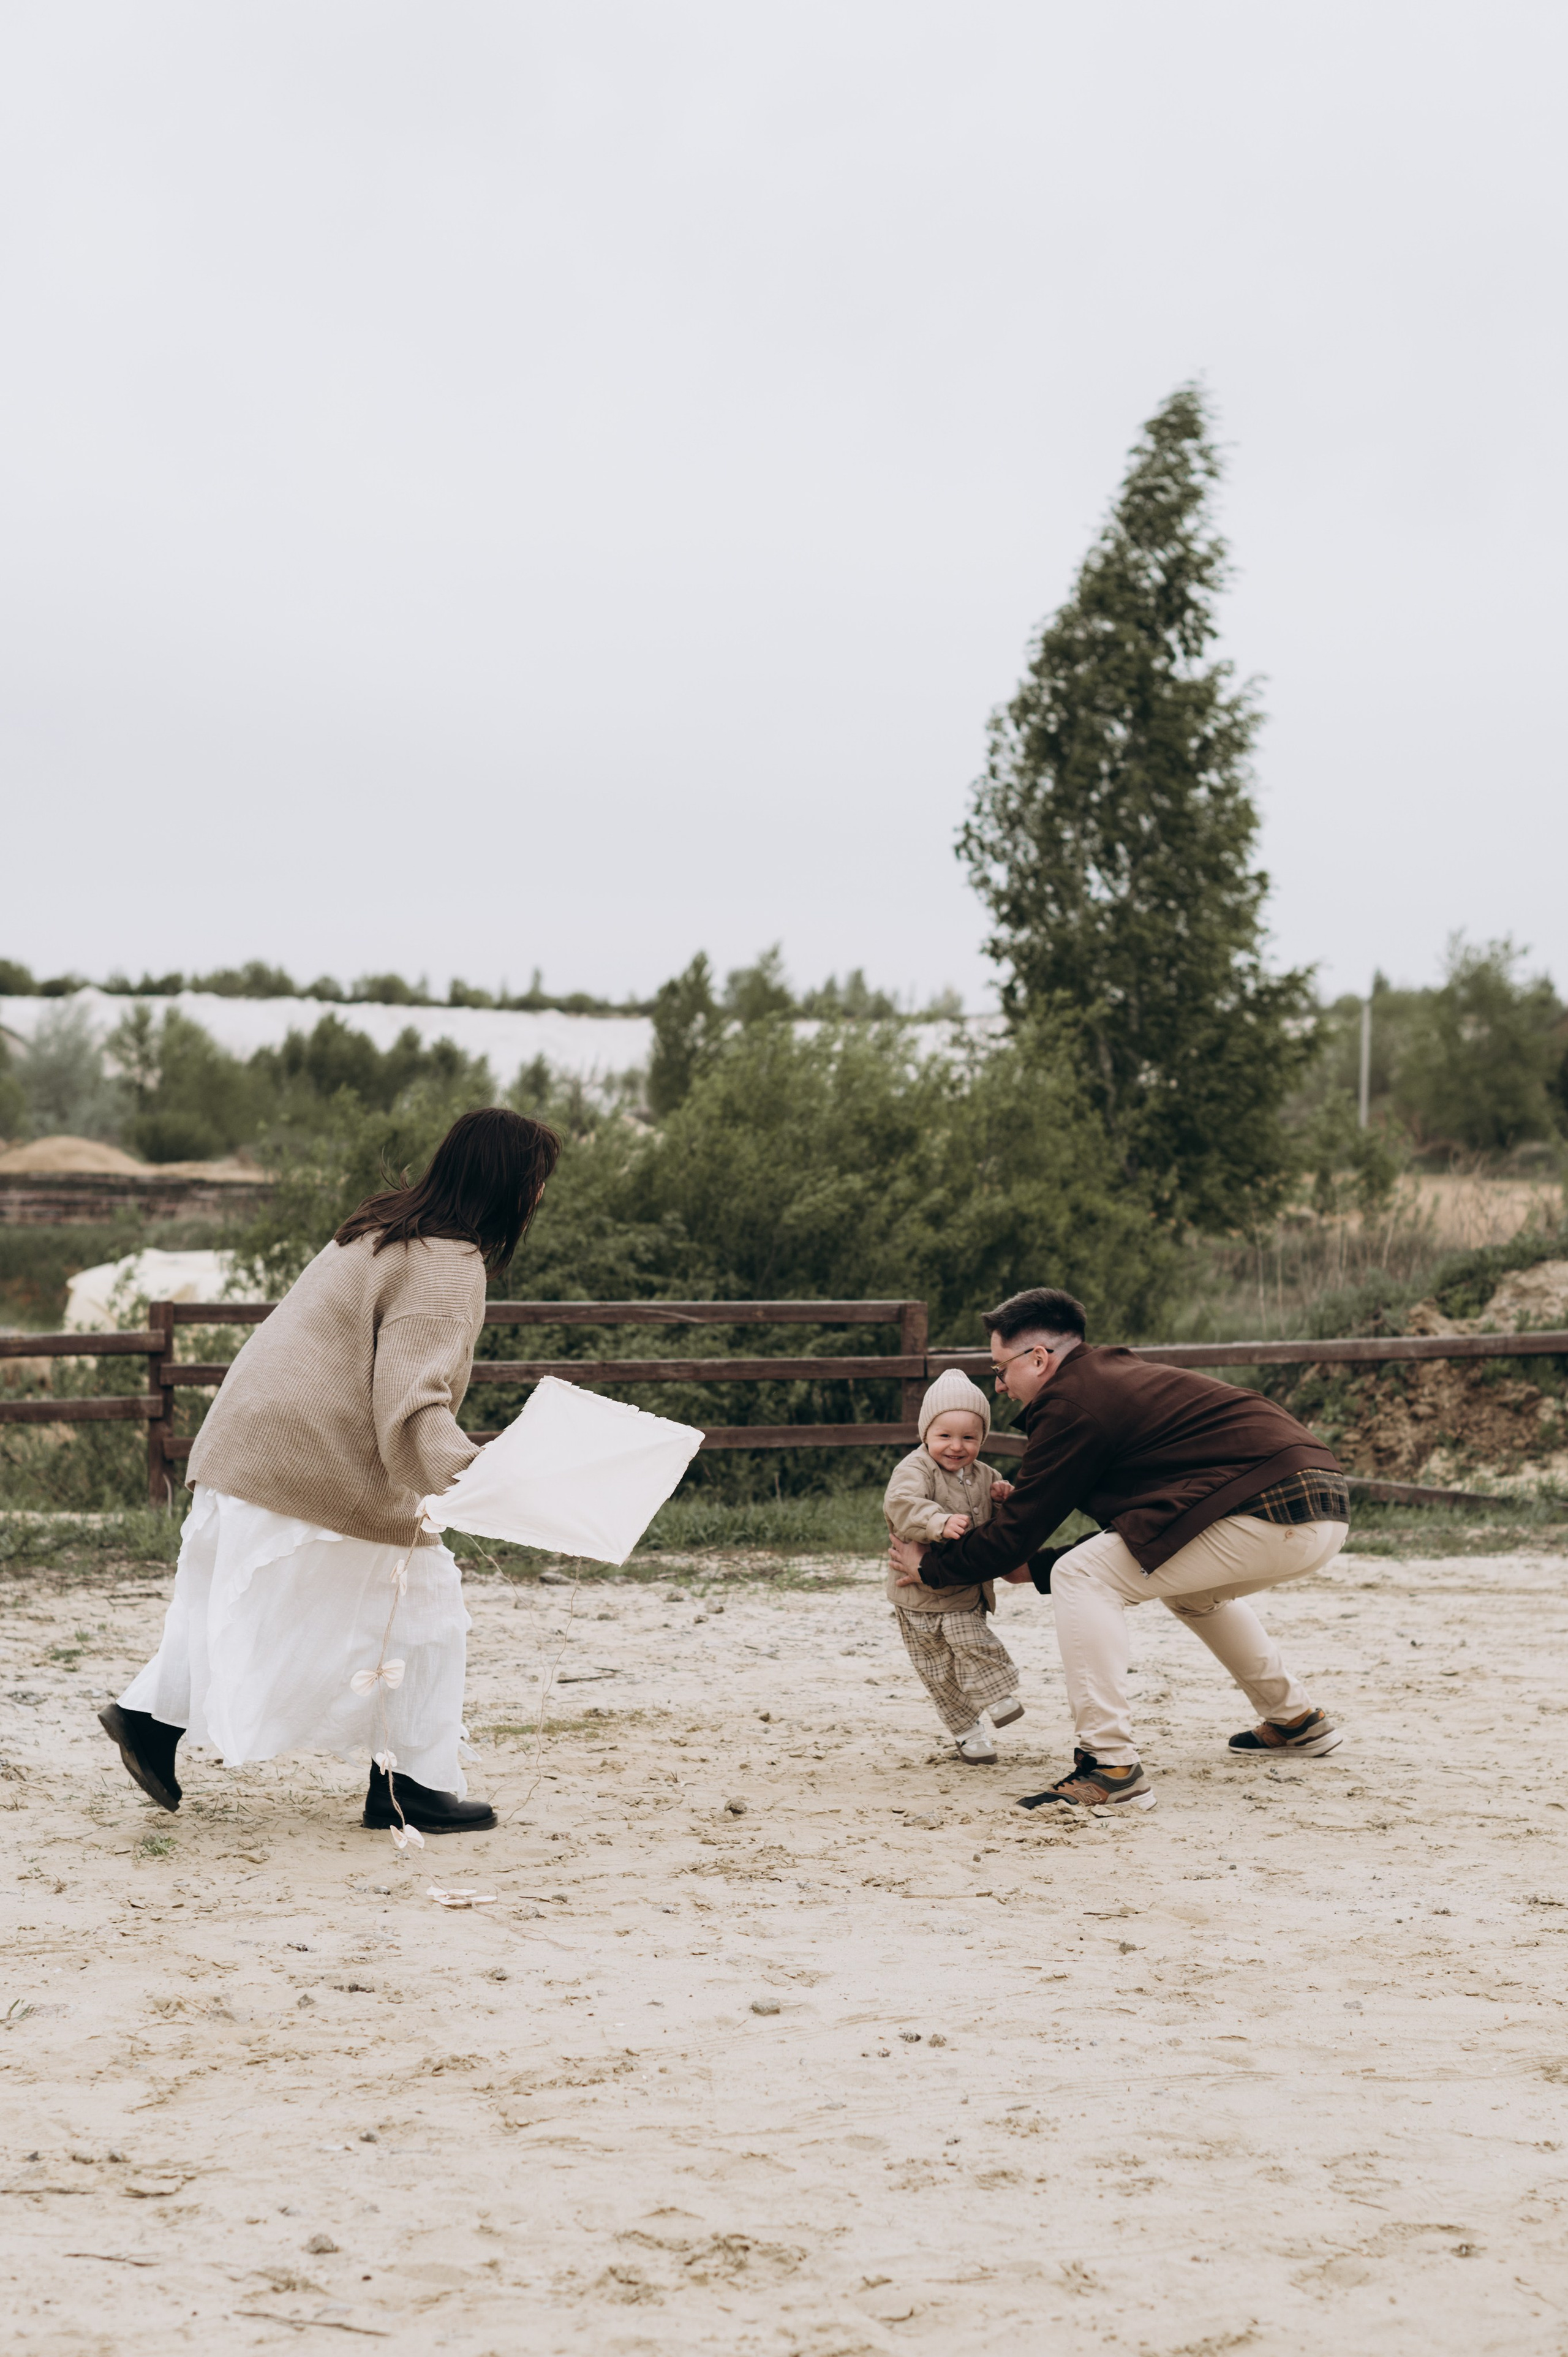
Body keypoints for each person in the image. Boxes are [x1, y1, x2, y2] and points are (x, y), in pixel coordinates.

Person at [99, 1106, 560, 1836]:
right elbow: (411, 1402)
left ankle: (149, 1718)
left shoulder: (384, 1227)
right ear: (509, 1181)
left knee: (239, 1600)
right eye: (538, 1180)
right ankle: (411, 1787)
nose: (540, 1197)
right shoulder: (447, 1262)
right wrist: (479, 1479)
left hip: (248, 1443)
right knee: (427, 1610)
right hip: (307, 1453)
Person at [888, 1286, 1349, 1811]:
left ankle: (1111, 1767)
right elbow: (1139, 1532)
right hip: (1319, 1505)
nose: (999, 1385)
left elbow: (1022, 1531)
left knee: (1081, 1576)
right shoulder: (1108, 1381)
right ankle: (1296, 1722)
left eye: (999, 1369)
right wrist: (1030, 1563)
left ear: (1038, 1359)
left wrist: (934, 1569)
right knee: (1191, 1593)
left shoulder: (1071, 1404)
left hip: (1269, 1509)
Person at [883, 1370, 1025, 1764]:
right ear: (926, 1433)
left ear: (982, 1439)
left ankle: (998, 1696)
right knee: (938, 1673)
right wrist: (936, 1521)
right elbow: (901, 1504)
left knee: (971, 1640)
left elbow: (999, 1529)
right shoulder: (915, 1469)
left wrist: (1002, 1501)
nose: (957, 1447)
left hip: (963, 1591)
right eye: (945, 1436)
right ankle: (967, 1733)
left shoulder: (986, 1475)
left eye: (969, 1437)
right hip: (915, 1595)